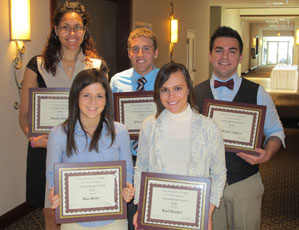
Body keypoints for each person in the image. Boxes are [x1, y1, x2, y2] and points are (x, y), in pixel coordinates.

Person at [18, 1, 107, 228]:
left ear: (84, 31)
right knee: (51, 213)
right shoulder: (36, 66)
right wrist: (34, 138)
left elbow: (105, 113)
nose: (72, 33)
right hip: (46, 150)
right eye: (65, 27)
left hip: (83, 150)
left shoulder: (97, 66)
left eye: (77, 27)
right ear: (56, 30)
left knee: (80, 212)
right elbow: (25, 114)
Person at [194, 26, 285, 230]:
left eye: (232, 50)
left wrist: (267, 154)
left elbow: (276, 131)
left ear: (241, 56)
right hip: (206, 185)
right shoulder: (193, 93)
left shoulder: (258, 92)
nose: (225, 56)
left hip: (245, 183)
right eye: (219, 50)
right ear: (210, 55)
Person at [133, 62, 226, 230]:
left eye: (177, 88)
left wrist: (207, 213)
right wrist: (141, 208)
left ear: (189, 89)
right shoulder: (149, 125)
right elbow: (141, 168)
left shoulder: (209, 127)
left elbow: (219, 174)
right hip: (157, 213)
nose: (171, 96)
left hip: (193, 215)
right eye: (164, 90)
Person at [46, 68, 135, 230]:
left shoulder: (120, 132)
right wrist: (55, 193)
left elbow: (128, 171)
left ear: (107, 99)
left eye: (99, 96)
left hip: (113, 220)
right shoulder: (58, 134)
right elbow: (52, 174)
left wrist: (127, 188)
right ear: (76, 98)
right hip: (74, 220)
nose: (93, 102)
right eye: (86, 95)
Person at [110, 27, 159, 230]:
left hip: (157, 159)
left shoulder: (167, 79)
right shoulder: (116, 81)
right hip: (127, 159)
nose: (140, 54)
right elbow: (110, 120)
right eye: (135, 49)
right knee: (130, 218)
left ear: (156, 52)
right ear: (129, 52)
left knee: (155, 215)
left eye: (146, 49)